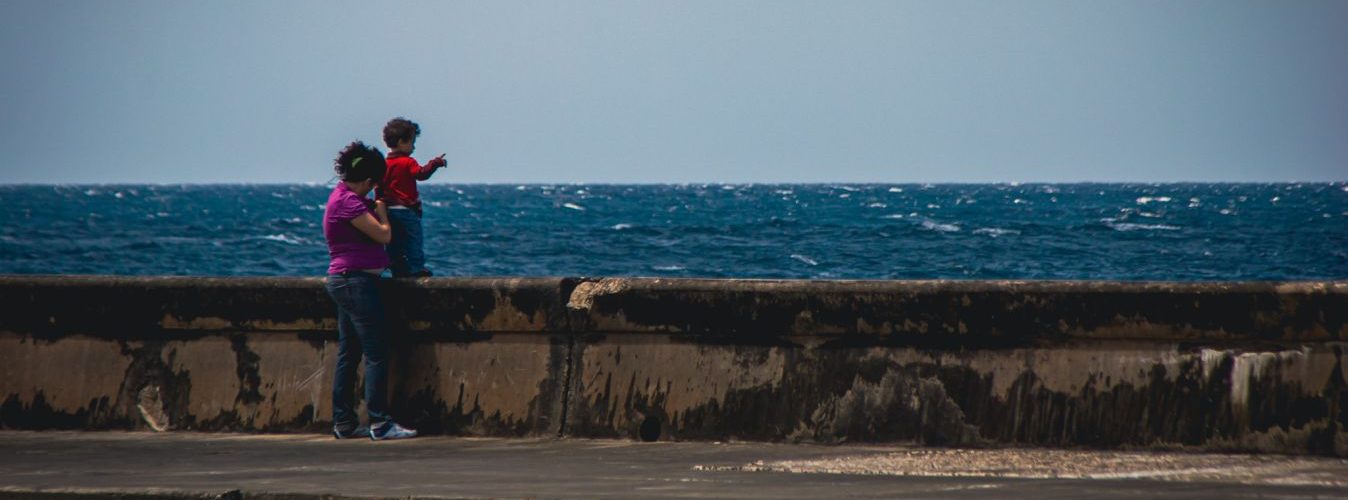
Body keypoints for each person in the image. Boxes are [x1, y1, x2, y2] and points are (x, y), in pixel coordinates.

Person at [323, 141, 417, 441]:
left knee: (349, 353)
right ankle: (380, 422)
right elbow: (382, 234)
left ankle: (344, 423)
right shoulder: (348, 202)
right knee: (375, 352)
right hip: (355, 283)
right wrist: (382, 211)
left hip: (347, 281)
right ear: (367, 180)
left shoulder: (341, 197)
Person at [377, 117, 447, 278]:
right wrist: (435, 163)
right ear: (402, 142)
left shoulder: (383, 164)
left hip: (387, 211)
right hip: (406, 210)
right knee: (413, 240)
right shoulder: (407, 162)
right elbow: (420, 174)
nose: (413, 147)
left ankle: (396, 267)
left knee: (394, 242)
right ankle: (416, 268)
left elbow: (378, 187)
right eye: (412, 142)